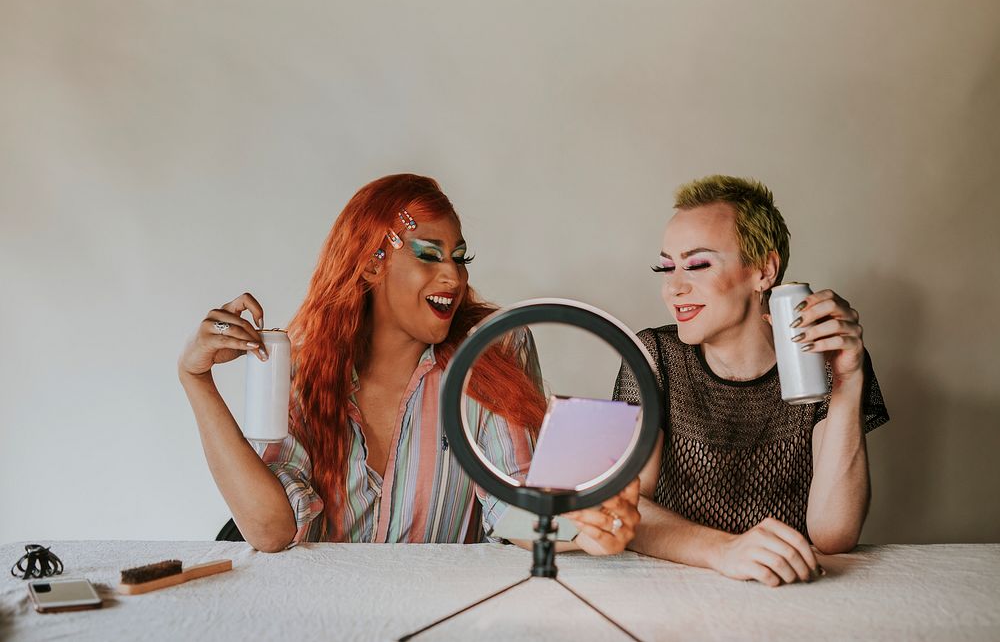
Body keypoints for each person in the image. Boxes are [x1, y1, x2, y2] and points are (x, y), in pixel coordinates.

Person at [179, 173, 639, 553]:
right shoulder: (305, 362)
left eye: (460, 258)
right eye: (430, 254)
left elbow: (513, 506)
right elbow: (272, 529)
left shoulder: (493, 348)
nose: (453, 276)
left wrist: (582, 528)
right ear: (371, 266)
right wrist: (196, 378)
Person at [615, 175, 889, 586]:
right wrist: (724, 551)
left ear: (764, 270)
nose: (673, 287)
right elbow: (625, 507)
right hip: (673, 588)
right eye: (666, 266)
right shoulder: (654, 355)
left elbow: (834, 536)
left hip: (786, 588)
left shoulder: (824, 360)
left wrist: (848, 381)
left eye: (698, 264)